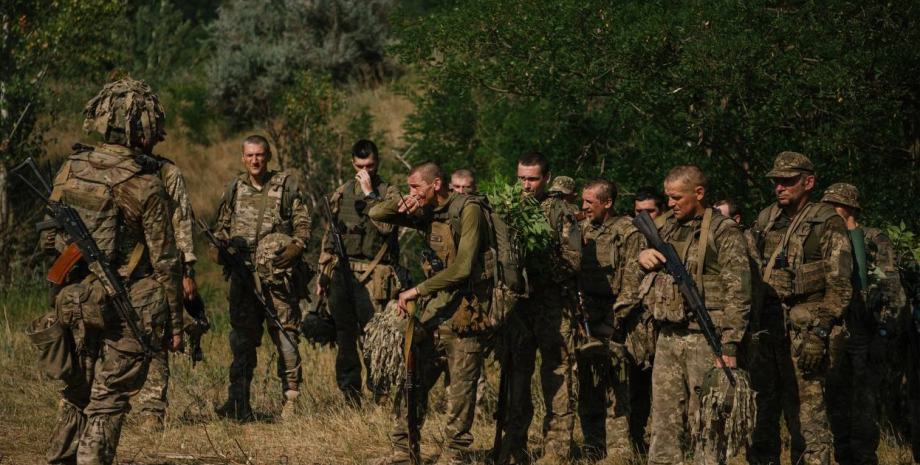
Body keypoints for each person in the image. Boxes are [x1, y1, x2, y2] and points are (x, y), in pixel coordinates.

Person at [39, 78, 183, 464]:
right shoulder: (146, 183)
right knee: (107, 402)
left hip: (74, 300)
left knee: (73, 394)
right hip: (129, 304)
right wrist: (176, 324)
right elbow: (167, 261)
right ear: (144, 128)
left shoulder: (71, 168)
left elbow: (47, 242)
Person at [368, 161, 493, 465]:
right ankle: (402, 451)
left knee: (461, 395)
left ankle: (454, 456)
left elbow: (463, 268)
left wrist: (417, 290)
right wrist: (402, 202)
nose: (412, 192)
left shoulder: (467, 210)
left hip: (466, 313)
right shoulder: (425, 213)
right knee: (410, 379)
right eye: (409, 187)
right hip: (434, 313)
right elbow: (376, 214)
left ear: (436, 184)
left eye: (416, 187)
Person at [637, 165, 750, 465]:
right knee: (664, 421)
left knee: (707, 423)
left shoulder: (723, 231)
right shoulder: (667, 226)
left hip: (705, 338)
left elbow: (738, 292)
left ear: (698, 193)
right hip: (669, 336)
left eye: (677, 198)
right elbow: (636, 246)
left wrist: (729, 346)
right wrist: (642, 255)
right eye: (668, 198)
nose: (671, 204)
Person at [748, 152, 853, 465]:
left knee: (808, 420)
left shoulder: (827, 221)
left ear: (809, 182)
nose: (780, 187)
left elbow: (840, 285)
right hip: (767, 332)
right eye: (777, 181)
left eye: (788, 181)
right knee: (762, 413)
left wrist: (819, 334)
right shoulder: (766, 219)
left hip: (805, 334)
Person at [209, 135, 312, 421]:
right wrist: (217, 249)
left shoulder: (286, 186)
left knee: (286, 336)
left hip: (278, 275)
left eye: (260, 155)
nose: (255, 160)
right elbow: (221, 228)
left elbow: (303, 224)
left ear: (268, 157)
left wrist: (296, 247)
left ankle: (291, 402)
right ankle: (238, 401)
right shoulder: (234, 189)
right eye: (250, 155)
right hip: (243, 276)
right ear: (243, 158)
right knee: (242, 339)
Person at [500, 151, 582, 464]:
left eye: (532, 178)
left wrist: (537, 268)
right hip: (519, 308)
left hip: (553, 308)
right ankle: (515, 447)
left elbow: (573, 260)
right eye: (521, 178)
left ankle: (556, 452)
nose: (526, 184)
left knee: (558, 380)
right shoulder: (509, 208)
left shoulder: (560, 210)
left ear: (546, 178)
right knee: (517, 381)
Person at [822, 183, 906, 465]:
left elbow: (892, 289)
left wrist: (883, 334)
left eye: (836, 204)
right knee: (836, 407)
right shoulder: (825, 237)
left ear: (852, 207)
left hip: (866, 335)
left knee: (864, 410)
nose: (829, 210)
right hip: (836, 334)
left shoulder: (872, 239)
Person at [316, 139, 401, 406]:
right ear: (353, 163)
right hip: (344, 275)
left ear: (378, 163)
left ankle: (381, 393)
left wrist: (370, 194)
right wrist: (324, 274)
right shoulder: (342, 192)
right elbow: (330, 236)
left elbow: (389, 228)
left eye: (371, 165)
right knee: (345, 338)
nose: (367, 170)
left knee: (376, 338)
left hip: (376, 276)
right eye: (362, 165)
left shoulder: (389, 193)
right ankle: (349, 394)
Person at [577, 179, 646, 462]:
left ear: (607, 203)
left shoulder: (629, 232)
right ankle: (593, 446)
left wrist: (611, 321)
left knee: (617, 387)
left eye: (589, 203)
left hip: (616, 322)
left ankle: (619, 452)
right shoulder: (581, 230)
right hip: (586, 320)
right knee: (588, 385)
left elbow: (633, 284)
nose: (583, 207)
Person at [133, 152, 203, 430]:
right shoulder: (96, 164)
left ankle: (151, 410)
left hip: (152, 265)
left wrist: (187, 271)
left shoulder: (165, 173)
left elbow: (181, 221)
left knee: (156, 330)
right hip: (108, 265)